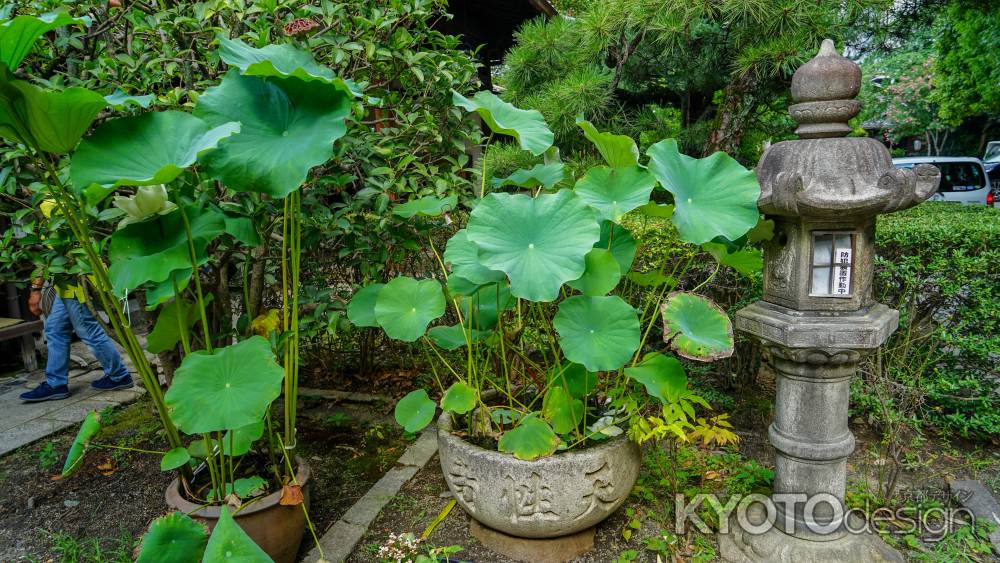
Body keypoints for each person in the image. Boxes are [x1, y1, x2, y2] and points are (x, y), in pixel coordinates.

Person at [19, 201, 133, 403]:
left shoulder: (49, 204)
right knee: (54, 329)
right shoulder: (62, 198)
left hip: (77, 283)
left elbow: (53, 256)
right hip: (70, 282)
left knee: (90, 332)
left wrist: (36, 289)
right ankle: (56, 384)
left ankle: (119, 375)